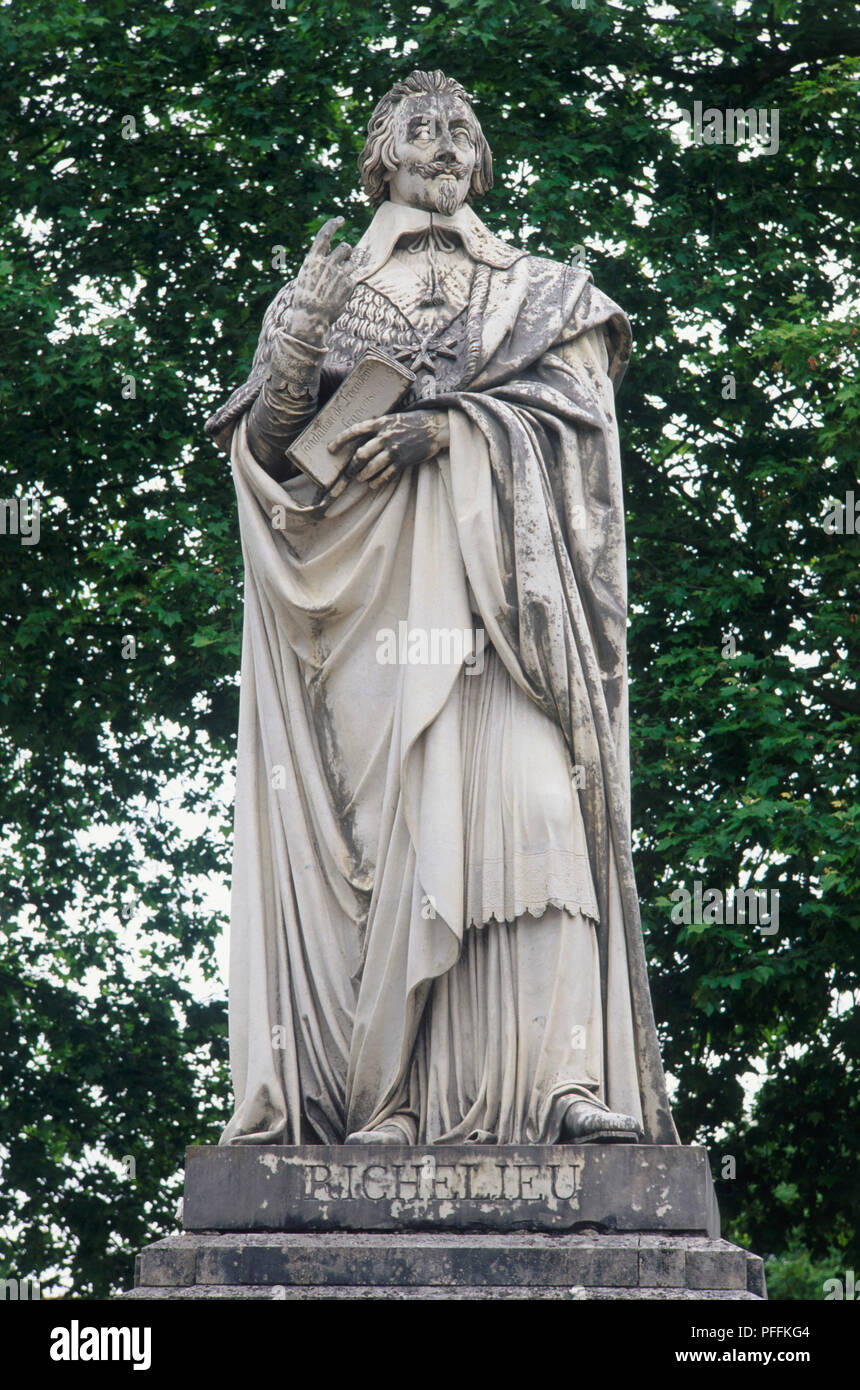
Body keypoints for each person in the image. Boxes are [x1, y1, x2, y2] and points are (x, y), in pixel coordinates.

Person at [205, 69, 678, 1148]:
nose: (444, 143)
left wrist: (451, 431)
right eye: (418, 129)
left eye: (462, 127)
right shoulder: (319, 291)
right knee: (390, 854)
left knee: (537, 818)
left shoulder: (545, 293)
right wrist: (289, 362)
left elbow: (585, 451)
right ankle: (390, 1101)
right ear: (379, 156)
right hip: (363, 611)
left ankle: (557, 1084)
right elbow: (270, 467)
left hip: (504, 620)